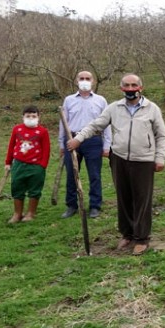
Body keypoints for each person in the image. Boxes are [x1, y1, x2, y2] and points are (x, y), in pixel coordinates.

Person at [67, 73, 165, 255]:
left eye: (134, 85)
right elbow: (95, 125)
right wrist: (78, 139)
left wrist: (160, 158)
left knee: (142, 199)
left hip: (143, 160)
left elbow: (161, 134)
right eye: (126, 86)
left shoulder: (152, 109)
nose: (130, 89)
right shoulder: (114, 108)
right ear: (121, 89)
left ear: (140, 87)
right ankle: (127, 233)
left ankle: (142, 237)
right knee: (124, 197)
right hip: (119, 158)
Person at [59, 71, 111, 219]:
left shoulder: (101, 100)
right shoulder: (69, 100)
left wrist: (107, 145)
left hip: (93, 141)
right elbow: (63, 122)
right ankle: (71, 205)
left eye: (87, 78)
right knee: (72, 174)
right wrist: (62, 144)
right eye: (81, 78)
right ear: (76, 81)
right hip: (72, 139)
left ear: (93, 81)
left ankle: (95, 206)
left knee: (94, 174)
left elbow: (107, 124)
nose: (84, 81)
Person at [5, 105, 51, 223]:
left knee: (34, 189)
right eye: (28, 116)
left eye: (33, 116)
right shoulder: (17, 129)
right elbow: (11, 146)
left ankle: (31, 213)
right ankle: (17, 213)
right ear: (23, 117)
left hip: (36, 166)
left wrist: (42, 166)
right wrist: (8, 162)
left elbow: (46, 150)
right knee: (17, 187)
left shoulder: (42, 131)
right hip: (19, 165)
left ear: (38, 117)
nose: (31, 118)